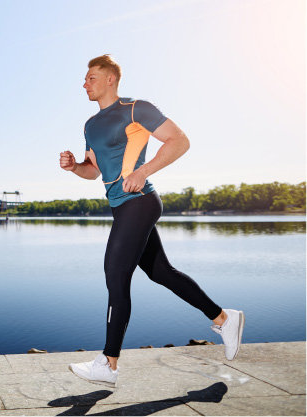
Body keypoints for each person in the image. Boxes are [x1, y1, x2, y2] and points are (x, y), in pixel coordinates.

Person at [59, 55, 244, 388]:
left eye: (91, 78)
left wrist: (143, 172)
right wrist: (75, 166)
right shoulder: (90, 125)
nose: (84, 83)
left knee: (116, 274)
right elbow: (94, 171)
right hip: (121, 206)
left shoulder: (136, 109)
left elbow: (180, 140)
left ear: (110, 79)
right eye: (85, 79)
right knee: (161, 272)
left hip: (140, 202)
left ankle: (109, 363)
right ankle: (224, 318)